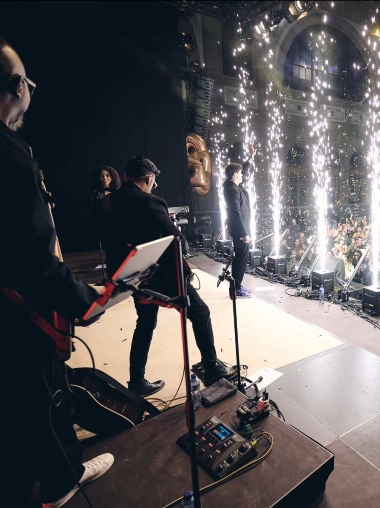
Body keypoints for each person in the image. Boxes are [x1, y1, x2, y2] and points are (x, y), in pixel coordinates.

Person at [0, 38, 113, 507]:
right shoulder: (11, 156)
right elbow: (33, 259)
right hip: (21, 321)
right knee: (41, 404)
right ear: (15, 86)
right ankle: (61, 480)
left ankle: (47, 476)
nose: (31, 89)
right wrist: (85, 299)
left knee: (18, 419)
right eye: (27, 81)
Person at [105, 155, 234, 393]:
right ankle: (212, 368)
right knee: (200, 312)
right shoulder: (151, 202)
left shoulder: (108, 202)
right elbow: (176, 238)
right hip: (162, 275)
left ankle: (136, 381)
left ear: (125, 177)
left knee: (144, 322)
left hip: (131, 274)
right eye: (152, 182)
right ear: (148, 178)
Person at [223, 143, 256, 298]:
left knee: (241, 258)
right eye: (240, 173)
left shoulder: (234, 186)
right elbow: (235, 212)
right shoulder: (231, 189)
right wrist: (244, 233)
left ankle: (237, 286)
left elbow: (245, 172)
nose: (243, 175)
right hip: (239, 230)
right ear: (234, 175)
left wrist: (250, 158)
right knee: (241, 259)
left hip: (242, 228)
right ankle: (236, 288)